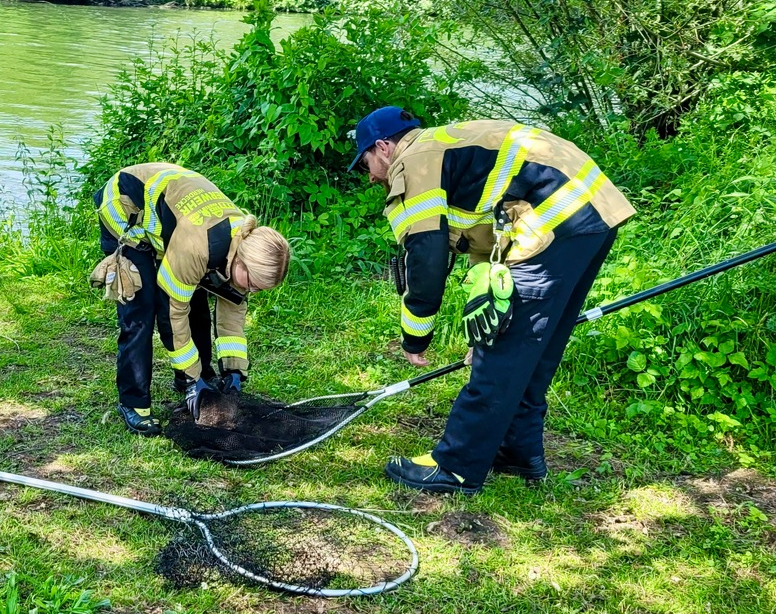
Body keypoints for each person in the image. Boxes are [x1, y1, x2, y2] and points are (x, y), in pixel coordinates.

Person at [347, 106, 635, 494]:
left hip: (553, 220)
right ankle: (519, 451)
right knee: (532, 346)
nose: (369, 176)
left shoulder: (412, 163)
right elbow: (489, 243)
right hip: (589, 213)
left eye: (366, 162)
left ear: (383, 147)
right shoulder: (448, 149)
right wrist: (480, 333)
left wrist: (415, 337)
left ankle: (457, 466)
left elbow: (426, 259)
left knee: (504, 352)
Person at [92, 163, 291, 436]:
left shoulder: (243, 244)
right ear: (241, 262)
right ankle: (134, 403)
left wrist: (234, 373)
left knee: (196, 297)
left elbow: (231, 316)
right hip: (127, 206)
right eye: (253, 284)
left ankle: (199, 376)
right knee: (142, 307)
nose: (253, 291)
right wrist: (191, 378)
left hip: (174, 217)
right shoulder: (198, 249)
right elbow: (171, 312)